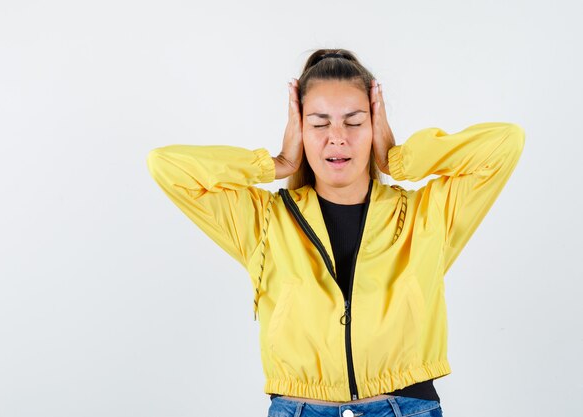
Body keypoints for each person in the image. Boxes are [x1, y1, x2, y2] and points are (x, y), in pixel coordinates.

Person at [146, 48, 525, 417]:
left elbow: (505, 142)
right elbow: (166, 166)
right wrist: (278, 163)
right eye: (319, 122)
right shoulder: (263, 221)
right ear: (300, 129)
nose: (337, 137)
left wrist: (396, 158)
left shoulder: (427, 217)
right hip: (298, 408)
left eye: (355, 121)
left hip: (407, 407)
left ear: (374, 127)